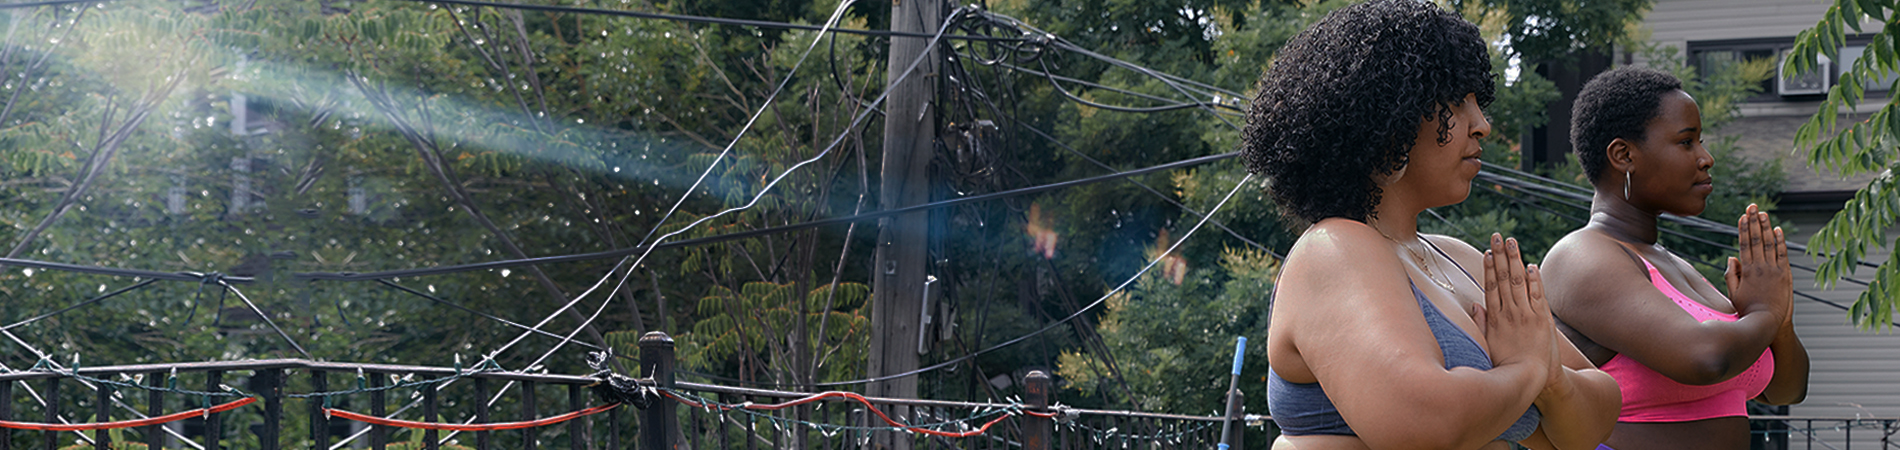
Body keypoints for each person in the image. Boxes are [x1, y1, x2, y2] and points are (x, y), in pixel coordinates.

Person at [1244, 1, 1621, 449]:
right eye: (1458, 102)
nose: (1481, 124)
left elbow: (1601, 411)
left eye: (1478, 103)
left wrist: (1552, 380)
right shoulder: (1334, 248)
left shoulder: (1458, 257)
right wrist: (1529, 369)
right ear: (1389, 116)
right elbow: (1425, 423)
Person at [1541, 66, 1809, 450]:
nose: (1706, 158)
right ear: (1624, 155)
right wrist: (1764, 311)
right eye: (1687, 142)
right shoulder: (1581, 256)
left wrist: (1779, 320)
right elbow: (1705, 359)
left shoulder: (1677, 267)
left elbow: (1785, 390)